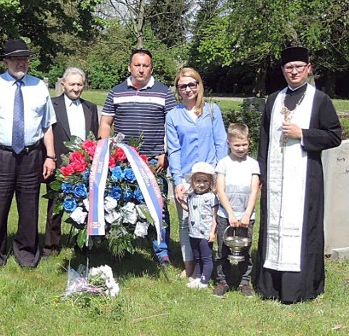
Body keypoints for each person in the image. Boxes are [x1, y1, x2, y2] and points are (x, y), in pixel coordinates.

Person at [256, 46, 342, 304]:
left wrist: (303, 134)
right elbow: (264, 140)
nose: (293, 72)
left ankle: (299, 289)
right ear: (283, 70)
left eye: (298, 67)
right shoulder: (273, 99)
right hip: (274, 179)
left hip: (305, 179)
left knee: (303, 229)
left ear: (308, 68)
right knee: (273, 226)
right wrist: (260, 174)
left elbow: (334, 135)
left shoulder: (320, 100)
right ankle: (270, 286)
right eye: (288, 67)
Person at [0, 39, 56, 272]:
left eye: (25, 59)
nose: (21, 63)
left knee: (29, 208)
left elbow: (47, 124)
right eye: (16, 58)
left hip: (32, 155)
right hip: (1, 155)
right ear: (6, 61)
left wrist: (50, 156)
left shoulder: (39, 86)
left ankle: (27, 253)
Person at [98, 48, 177, 266]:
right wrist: (105, 152)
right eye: (137, 65)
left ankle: (162, 252)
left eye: (145, 66)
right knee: (120, 204)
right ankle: (121, 247)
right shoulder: (116, 92)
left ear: (151, 68)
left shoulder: (164, 93)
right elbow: (105, 123)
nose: (141, 69)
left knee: (157, 206)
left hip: (153, 162)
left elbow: (173, 126)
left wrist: (166, 153)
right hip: (122, 161)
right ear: (129, 67)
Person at [166, 67, 228, 280]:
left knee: (211, 219)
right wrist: (177, 181)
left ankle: (214, 264)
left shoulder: (212, 110)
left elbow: (221, 142)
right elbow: (173, 150)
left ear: (199, 85)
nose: (188, 89)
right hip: (186, 177)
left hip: (211, 176)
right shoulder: (173, 116)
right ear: (177, 89)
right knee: (187, 222)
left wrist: (221, 176)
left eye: (192, 84)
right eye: (183, 86)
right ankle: (190, 264)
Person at [43, 67, 99, 257]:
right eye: (72, 84)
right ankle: (51, 246)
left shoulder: (90, 107)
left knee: (84, 205)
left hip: (84, 165)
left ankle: (82, 244)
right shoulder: (52, 105)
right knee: (55, 206)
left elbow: (94, 137)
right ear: (63, 85)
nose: (76, 88)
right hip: (59, 163)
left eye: (79, 84)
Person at [213, 123, 261, 298]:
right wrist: (231, 214)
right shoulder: (223, 164)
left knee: (245, 250)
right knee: (223, 250)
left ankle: (244, 282)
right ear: (229, 144)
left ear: (249, 142)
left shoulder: (253, 164)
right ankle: (222, 281)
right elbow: (220, 190)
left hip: (246, 215)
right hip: (226, 215)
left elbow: (255, 189)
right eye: (237, 145)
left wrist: (247, 213)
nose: (241, 149)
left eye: (244, 145)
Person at [184, 162, 218, 289]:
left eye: (205, 181)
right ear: (193, 182)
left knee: (206, 258)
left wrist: (212, 232)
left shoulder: (211, 197)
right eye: (198, 181)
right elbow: (190, 209)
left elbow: (215, 216)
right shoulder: (191, 196)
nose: (202, 184)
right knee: (197, 257)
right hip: (193, 232)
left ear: (210, 182)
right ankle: (197, 277)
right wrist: (181, 201)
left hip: (205, 233)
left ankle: (205, 281)